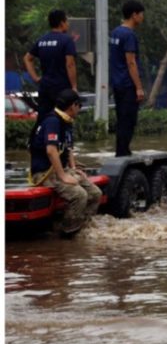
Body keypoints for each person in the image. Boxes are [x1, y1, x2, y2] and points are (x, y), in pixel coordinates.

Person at [28, 88, 101, 236]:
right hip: (45, 173)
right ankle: (68, 233)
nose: (80, 109)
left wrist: (73, 169)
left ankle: (83, 227)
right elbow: (51, 150)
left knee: (95, 193)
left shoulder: (66, 121)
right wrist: (63, 176)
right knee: (80, 195)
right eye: (79, 105)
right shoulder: (52, 121)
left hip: (60, 169)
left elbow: (67, 148)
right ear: (72, 106)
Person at [23, 9, 78, 119]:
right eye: (67, 21)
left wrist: (35, 77)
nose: (68, 24)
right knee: (61, 119)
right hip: (62, 89)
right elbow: (70, 64)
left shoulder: (42, 40)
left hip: (45, 87)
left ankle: (43, 136)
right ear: (61, 23)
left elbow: (27, 58)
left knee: (44, 119)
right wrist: (74, 86)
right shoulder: (67, 40)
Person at [109, 0, 145, 157]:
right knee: (129, 120)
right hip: (128, 84)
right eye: (141, 14)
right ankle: (123, 152)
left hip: (117, 84)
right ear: (134, 15)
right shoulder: (129, 35)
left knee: (121, 119)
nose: (142, 17)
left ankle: (121, 151)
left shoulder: (115, 32)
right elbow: (131, 62)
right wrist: (138, 87)